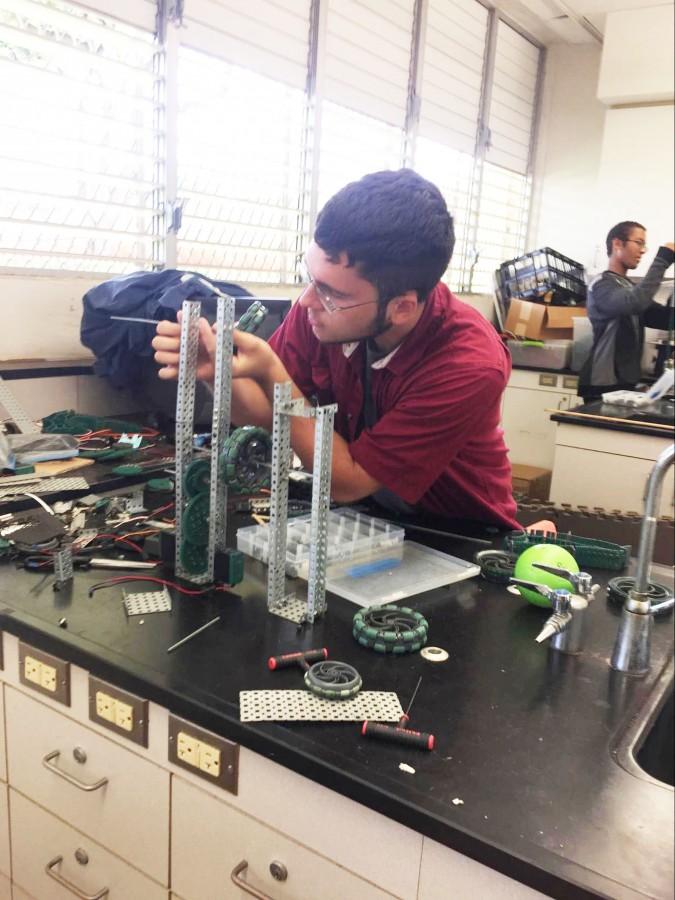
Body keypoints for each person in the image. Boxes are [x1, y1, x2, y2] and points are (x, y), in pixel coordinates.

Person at [153, 169, 518, 530]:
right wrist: (218, 371)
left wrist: (272, 373)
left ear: (401, 307)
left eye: (333, 293)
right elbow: (264, 416)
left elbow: (349, 479)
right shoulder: (323, 312)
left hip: (455, 534)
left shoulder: (469, 364)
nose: (308, 299)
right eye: (311, 277)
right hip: (363, 517)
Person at [580, 222, 674, 400]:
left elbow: (662, 318)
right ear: (617, 244)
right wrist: (663, 259)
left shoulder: (627, 287)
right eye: (638, 242)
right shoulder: (601, 284)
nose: (643, 250)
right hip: (602, 384)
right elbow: (635, 302)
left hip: (624, 383)